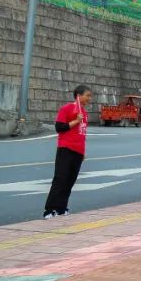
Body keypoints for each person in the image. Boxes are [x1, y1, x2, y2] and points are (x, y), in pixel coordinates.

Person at [42, 84, 93, 218]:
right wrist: (76, 121)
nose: (89, 98)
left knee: (70, 181)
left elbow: (82, 134)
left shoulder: (84, 113)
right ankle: (50, 209)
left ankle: (61, 208)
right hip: (66, 148)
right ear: (79, 95)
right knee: (60, 178)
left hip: (78, 151)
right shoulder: (67, 108)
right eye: (87, 95)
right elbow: (59, 127)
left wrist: (83, 152)